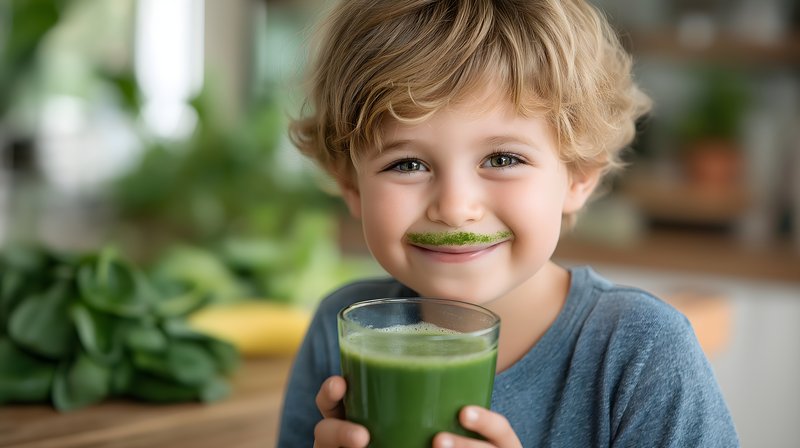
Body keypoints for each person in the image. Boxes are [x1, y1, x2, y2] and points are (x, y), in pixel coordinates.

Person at [277, 0, 739, 446]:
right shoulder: (341, 331)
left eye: (502, 159)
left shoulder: (642, 351)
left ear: (579, 175)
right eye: (408, 165)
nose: (455, 208)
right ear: (352, 187)